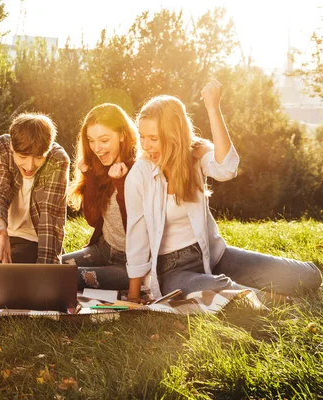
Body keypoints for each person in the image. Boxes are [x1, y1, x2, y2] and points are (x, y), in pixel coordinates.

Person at [124, 80, 322, 302]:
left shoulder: (196, 154)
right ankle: (272, 301)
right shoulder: (139, 174)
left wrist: (213, 108)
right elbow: (136, 236)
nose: (146, 145)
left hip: (214, 255)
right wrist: (133, 293)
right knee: (220, 289)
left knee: (308, 277)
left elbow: (227, 168)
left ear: (174, 136)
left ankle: (263, 294)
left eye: (153, 138)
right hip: (171, 271)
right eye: (142, 136)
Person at [0, 113, 70, 292]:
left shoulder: (58, 159)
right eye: (23, 156)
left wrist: (45, 275)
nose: (30, 166)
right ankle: (20, 274)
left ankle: (26, 272)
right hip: (3, 234)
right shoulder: (3, 146)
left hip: (31, 242)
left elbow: (49, 219)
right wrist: (0, 230)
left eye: (39, 157)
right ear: (13, 147)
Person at [62, 103, 140, 294]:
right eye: (90, 140)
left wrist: (121, 184)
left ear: (122, 135)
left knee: (66, 278)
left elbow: (135, 227)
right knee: (51, 266)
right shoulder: (99, 168)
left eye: (104, 140)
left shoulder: (140, 169)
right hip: (103, 249)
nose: (96, 148)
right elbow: (92, 219)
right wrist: (90, 178)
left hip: (130, 265)